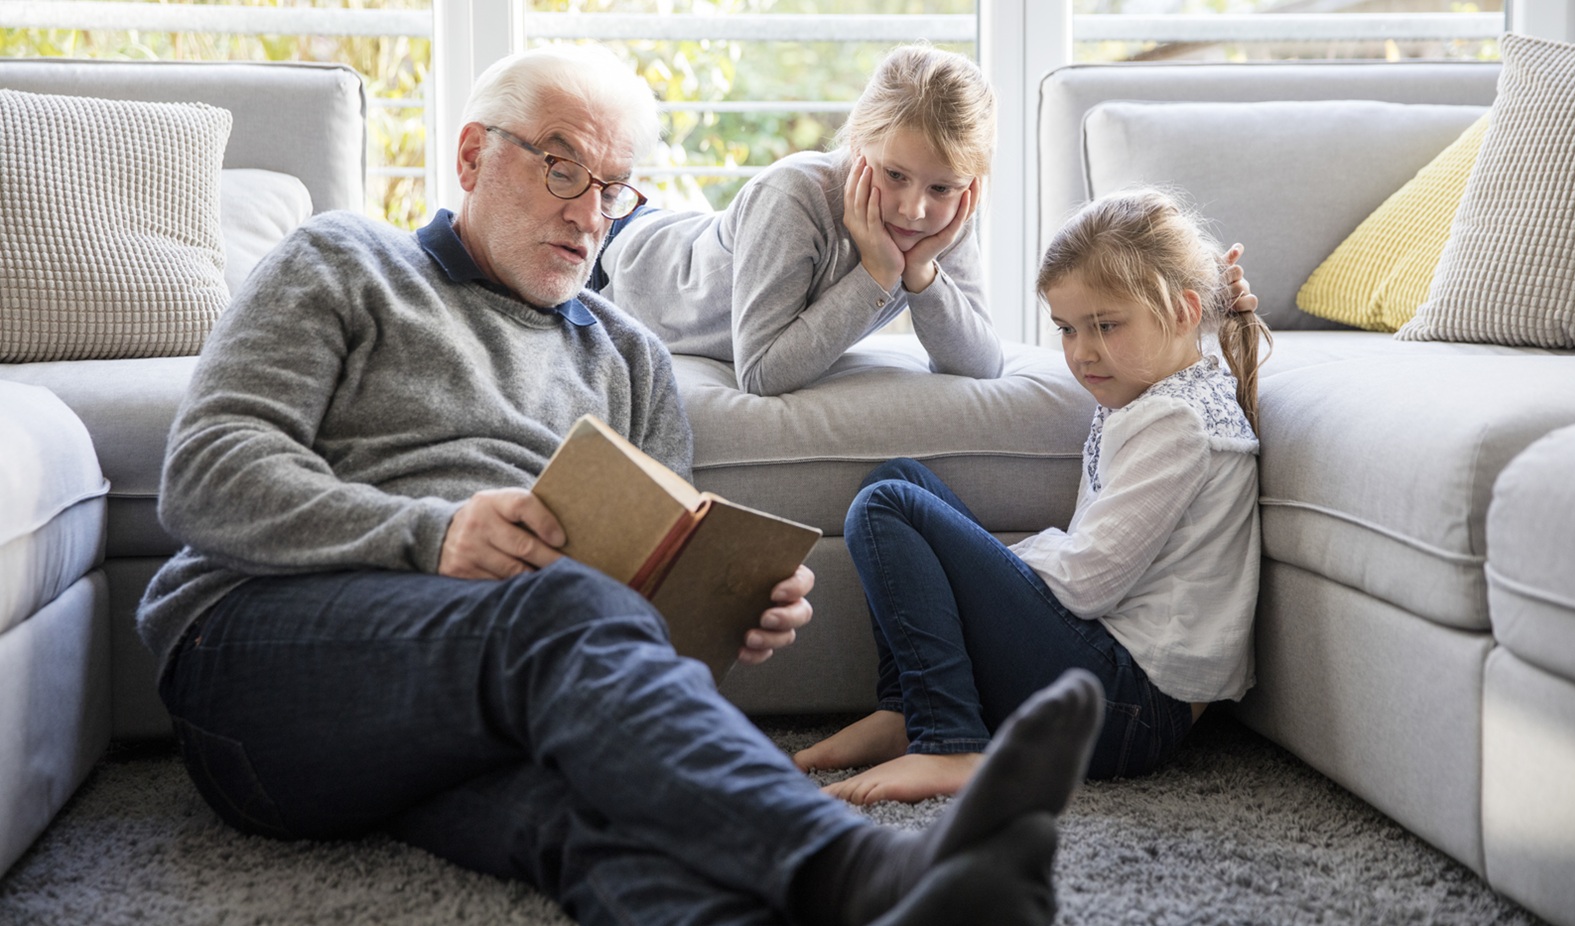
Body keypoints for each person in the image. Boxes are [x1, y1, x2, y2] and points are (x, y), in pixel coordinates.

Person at [139, 43, 1108, 926]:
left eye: (610, 187)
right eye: (561, 166)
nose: (587, 211)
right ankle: (867, 868)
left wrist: (727, 610)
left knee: (600, 815)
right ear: (472, 156)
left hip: (473, 713)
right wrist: (429, 535)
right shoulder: (346, 262)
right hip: (260, 669)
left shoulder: (631, 362)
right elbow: (207, 474)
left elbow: (633, 643)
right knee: (553, 607)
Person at [795, 187, 1272, 806]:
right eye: (1068, 329)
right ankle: (908, 710)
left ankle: (949, 741)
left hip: (1127, 712)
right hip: (1108, 685)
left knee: (890, 507)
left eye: (1105, 326)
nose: (1082, 352)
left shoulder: (1179, 423)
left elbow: (1089, 581)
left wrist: (986, 566)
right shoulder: (1149, 395)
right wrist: (976, 566)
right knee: (898, 478)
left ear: (1183, 311)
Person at [591, 43, 1005, 396]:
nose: (913, 210)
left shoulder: (945, 217)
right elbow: (761, 374)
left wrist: (922, 273)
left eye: (941, 188)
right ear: (858, 143)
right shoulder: (792, 196)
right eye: (895, 175)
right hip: (613, 254)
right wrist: (877, 274)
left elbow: (982, 364)